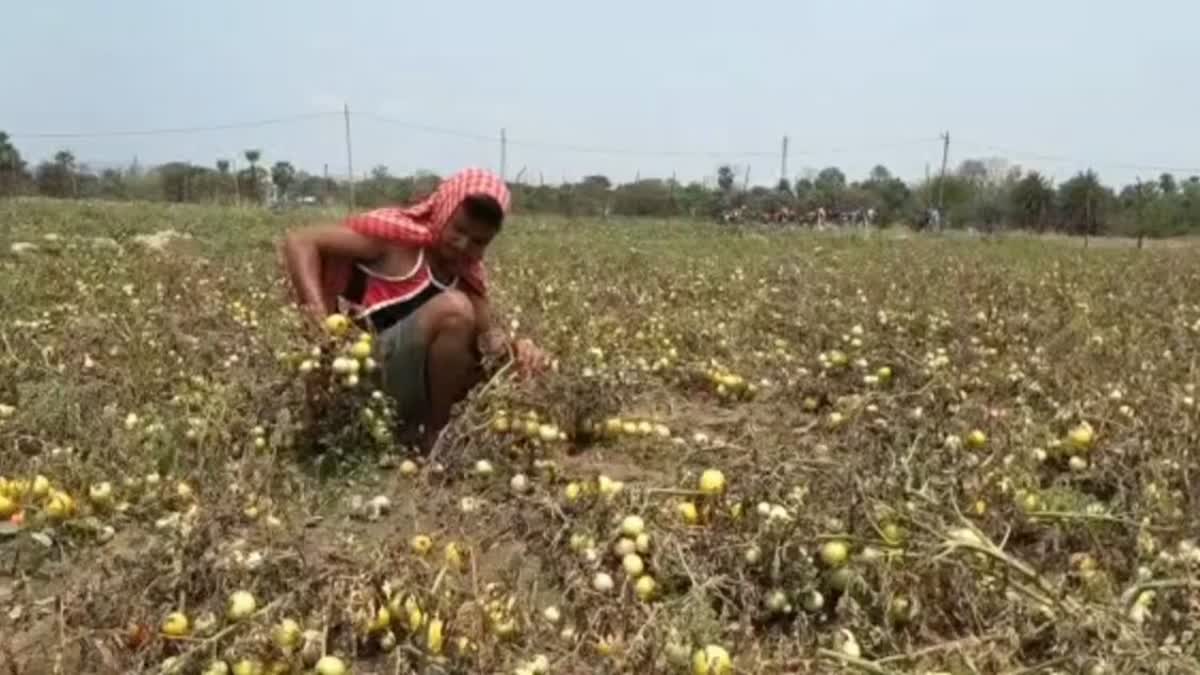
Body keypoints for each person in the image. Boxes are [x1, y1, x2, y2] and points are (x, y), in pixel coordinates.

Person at [282, 168, 547, 450]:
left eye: (479, 241)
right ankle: (436, 435)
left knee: (497, 363)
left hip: (402, 394)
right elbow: (300, 241)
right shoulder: (395, 246)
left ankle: (423, 430)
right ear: (444, 213)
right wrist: (320, 324)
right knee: (455, 309)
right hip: (364, 373)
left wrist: (519, 349)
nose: (464, 245)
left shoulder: (469, 281)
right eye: (458, 230)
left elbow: (492, 343)